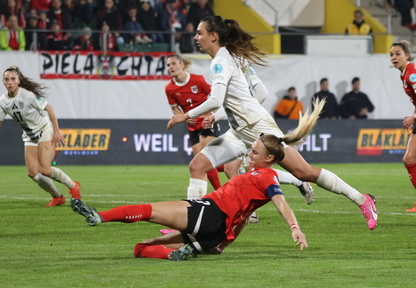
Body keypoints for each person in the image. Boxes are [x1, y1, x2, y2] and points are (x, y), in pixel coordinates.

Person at [167, 15, 378, 230]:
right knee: (198, 165)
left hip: (259, 129)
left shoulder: (221, 62)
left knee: (304, 172)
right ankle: (189, 225)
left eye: (200, 33)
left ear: (213, 36)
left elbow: (215, 100)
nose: (195, 37)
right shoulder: (227, 57)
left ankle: (363, 200)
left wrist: (185, 115)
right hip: (239, 132)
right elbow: (247, 96)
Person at [71, 104, 324, 259]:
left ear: (269, 158)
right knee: (141, 248)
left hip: (208, 212)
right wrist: (223, 244)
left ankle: (99, 216)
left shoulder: (267, 176)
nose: (249, 153)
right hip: (215, 233)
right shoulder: (254, 177)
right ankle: (182, 251)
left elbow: (281, 204)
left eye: (254, 152)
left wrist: (294, 227)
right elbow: (244, 216)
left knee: (149, 211)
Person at [0, 66, 81, 207]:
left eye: (12, 79)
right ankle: (57, 197)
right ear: (3, 82)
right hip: (29, 136)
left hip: (44, 131)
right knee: (32, 172)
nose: (9, 82)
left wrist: (56, 130)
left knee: (45, 170)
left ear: (18, 81)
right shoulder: (3, 101)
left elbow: (50, 109)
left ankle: (73, 185)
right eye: (6, 79)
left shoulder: (28, 96)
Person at [165, 54, 222, 192]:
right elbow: (174, 108)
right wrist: (184, 117)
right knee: (202, 163)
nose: (170, 67)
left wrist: (212, 115)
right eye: (168, 65)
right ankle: (234, 165)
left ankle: (219, 191)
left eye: (173, 64)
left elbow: (216, 98)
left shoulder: (198, 80)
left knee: (206, 156)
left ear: (182, 65)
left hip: (207, 122)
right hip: (192, 127)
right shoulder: (169, 89)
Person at [390, 40, 416, 212]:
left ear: (407, 55)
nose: (394, 57)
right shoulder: (405, 73)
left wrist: (413, 117)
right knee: (409, 159)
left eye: (398, 54)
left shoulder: (411, 73)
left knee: (409, 159)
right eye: (391, 54)